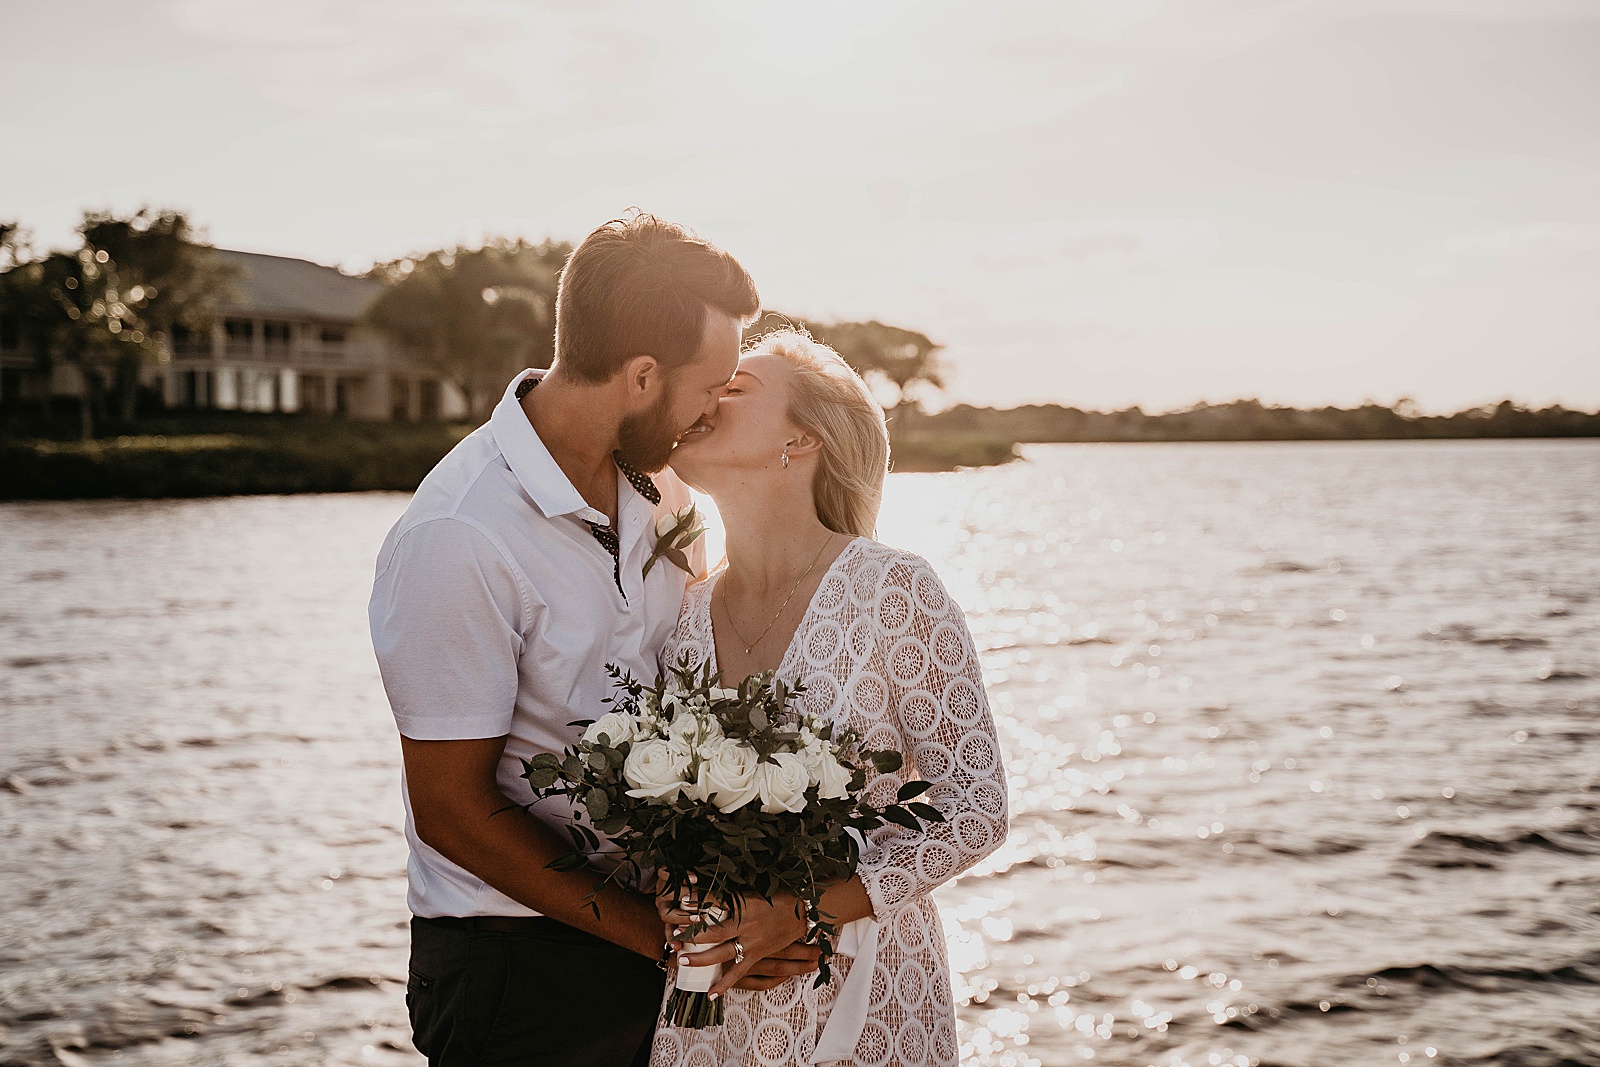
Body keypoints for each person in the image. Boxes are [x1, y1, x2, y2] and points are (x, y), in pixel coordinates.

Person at [368, 214, 818, 1067]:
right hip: (517, 967)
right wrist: (662, 939)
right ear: (642, 375)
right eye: (710, 386)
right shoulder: (460, 534)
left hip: (649, 939)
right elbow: (453, 809)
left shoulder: (668, 491)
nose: (714, 409)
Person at [649, 329, 1009, 1067]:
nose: (705, 398)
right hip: (713, 998)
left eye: (734, 388)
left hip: (862, 991)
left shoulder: (895, 592)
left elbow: (976, 808)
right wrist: (672, 885)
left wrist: (802, 912)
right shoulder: (682, 611)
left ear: (801, 439)